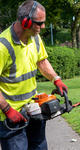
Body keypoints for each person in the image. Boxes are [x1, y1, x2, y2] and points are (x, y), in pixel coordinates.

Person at [0, 0, 68, 150]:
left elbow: (42, 62)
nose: (43, 26)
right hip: (11, 118)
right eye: (39, 23)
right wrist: (7, 110)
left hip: (33, 110)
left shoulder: (35, 38)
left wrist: (56, 79)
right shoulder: (3, 46)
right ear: (25, 22)